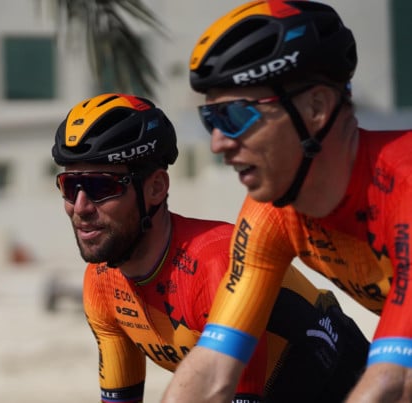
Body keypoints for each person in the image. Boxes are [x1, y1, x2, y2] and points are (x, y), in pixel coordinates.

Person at [162, 1, 412, 402]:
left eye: (235, 116)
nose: (217, 143)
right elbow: (212, 369)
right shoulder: (271, 213)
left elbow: (394, 382)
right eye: (211, 121)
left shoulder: (404, 184)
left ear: (316, 108)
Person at [52, 92, 369, 403]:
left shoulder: (213, 262)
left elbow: (242, 395)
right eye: (70, 187)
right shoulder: (101, 281)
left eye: (100, 187)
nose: (80, 207)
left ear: (156, 188)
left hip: (345, 383)